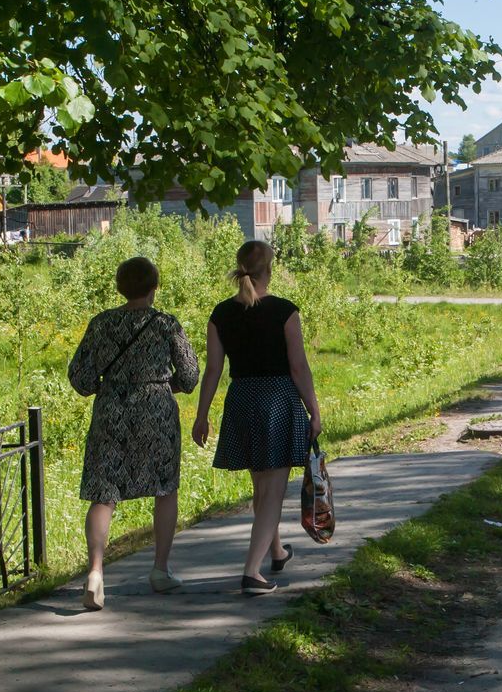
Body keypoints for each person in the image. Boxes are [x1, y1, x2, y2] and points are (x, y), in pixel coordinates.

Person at [67, 255, 199, 609]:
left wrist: (109, 386)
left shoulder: (101, 323)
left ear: (120, 287)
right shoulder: (166, 324)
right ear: (154, 287)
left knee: (104, 490)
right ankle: (160, 570)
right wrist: (162, 385)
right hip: (155, 408)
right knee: (164, 487)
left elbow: (79, 377)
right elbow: (189, 375)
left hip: (111, 407)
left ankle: (95, 573)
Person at [192, 240, 322, 596]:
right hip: (278, 400)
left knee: (261, 486)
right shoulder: (284, 311)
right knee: (272, 492)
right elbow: (298, 367)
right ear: (269, 270)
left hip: (242, 401)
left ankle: (276, 551)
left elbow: (214, 371)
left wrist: (201, 416)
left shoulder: (220, 314)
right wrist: (314, 409)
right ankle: (252, 572)